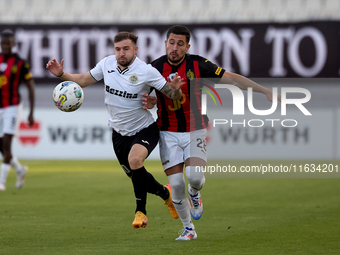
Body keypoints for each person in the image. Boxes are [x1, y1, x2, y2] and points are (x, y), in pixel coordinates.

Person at [143, 25, 280, 240]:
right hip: (167, 132)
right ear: (165, 43)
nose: (175, 48)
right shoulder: (154, 68)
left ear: (187, 46)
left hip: (195, 129)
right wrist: (149, 101)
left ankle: (195, 193)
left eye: (180, 44)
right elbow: (144, 96)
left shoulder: (198, 64)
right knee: (176, 184)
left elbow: (233, 79)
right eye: (171, 42)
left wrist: (264, 91)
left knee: (194, 178)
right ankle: (188, 229)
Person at [46, 31, 182, 229]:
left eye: (126, 49)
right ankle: (166, 194)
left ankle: (140, 212)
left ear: (135, 50)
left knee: (135, 160)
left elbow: (173, 95)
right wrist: (61, 74)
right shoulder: (107, 64)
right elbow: (83, 80)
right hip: (119, 134)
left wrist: (176, 89)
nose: (121, 53)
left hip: (144, 128)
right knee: (136, 175)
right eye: (118, 49)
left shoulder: (146, 71)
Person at [0, 29, 35, 191]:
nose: (5, 46)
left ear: (13, 43)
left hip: (13, 107)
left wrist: (31, 112)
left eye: (8, 43)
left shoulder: (21, 63)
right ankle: (20, 170)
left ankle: (1, 182)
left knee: (7, 144)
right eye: (3, 43)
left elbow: (30, 87)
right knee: (2, 147)